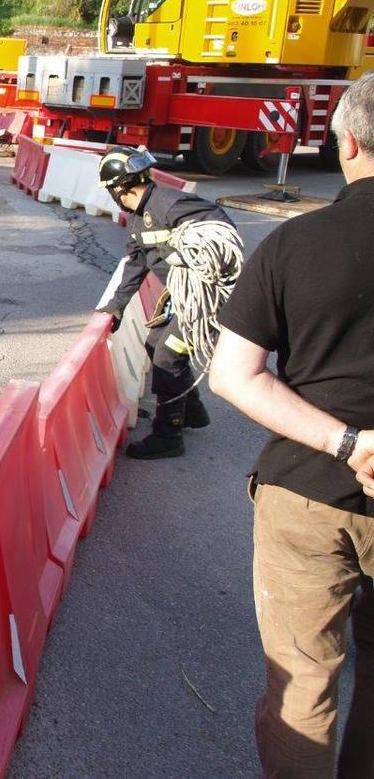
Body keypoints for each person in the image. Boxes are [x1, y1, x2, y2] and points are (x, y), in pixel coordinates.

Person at [209, 71, 374, 778]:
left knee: (303, 685)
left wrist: (348, 442)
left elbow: (232, 375)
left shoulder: (292, 246)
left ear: (349, 141)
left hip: (310, 491)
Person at [95, 145, 235, 460]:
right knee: (154, 341)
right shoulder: (137, 219)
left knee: (167, 357)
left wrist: (192, 259)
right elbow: (135, 264)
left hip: (207, 299)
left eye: (111, 190)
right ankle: (192, 411)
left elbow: (221, 228)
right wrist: (116, 306)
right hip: (183, 298)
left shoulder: (169, 203)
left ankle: (168, 436)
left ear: (120, 186)